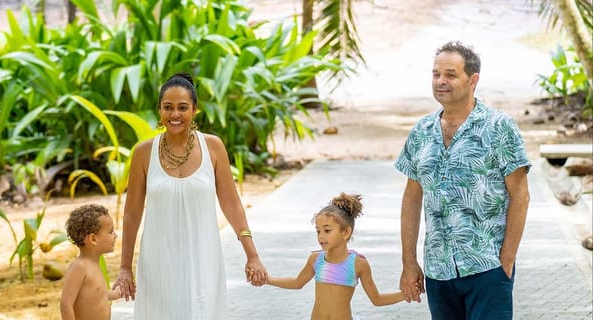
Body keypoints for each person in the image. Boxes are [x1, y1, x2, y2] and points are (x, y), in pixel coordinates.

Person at [112, 72, 268, 319]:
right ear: (159, 110)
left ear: (195, 109)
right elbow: (131, 214)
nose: (175, 114)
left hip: (204, 260)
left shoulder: (213, 147)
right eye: (168, 107)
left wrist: (253, 255)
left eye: (183, 107)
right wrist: (124, 268)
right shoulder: (144, 153)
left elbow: (232, 205)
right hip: (158, 262)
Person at [394, 41, 531, 319]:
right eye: (436, 74)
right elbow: (412, 197)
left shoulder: (499, 127)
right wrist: (409, 262)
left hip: (487, 267)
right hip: (438, 271)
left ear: (473, 80)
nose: (440, 81)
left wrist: (506, 259)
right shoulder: (421, 131)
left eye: (450, 74)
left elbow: (521, 195)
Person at [267, 193, 404, 319]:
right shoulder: (316, 259)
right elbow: (297, 283)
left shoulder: (358, 264)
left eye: (327, 230)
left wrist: (405, 294)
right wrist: (268, 279)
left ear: (346, 232)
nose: (321, 236)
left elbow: (377, 299)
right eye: (318, 231)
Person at [60, 204, 122, 320]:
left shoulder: (94, 264)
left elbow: (98, 294)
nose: (115, 235)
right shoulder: (79, 267)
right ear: (93, 239)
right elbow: (66, 304)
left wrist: (117, 293)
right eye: (111, 232)